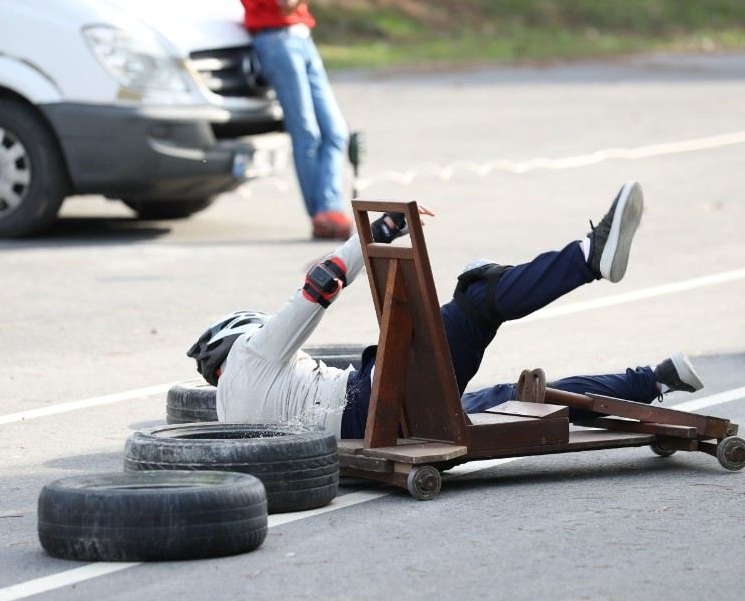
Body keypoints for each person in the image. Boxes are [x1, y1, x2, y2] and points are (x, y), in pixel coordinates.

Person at [187, 181, 705, 439]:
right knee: (478, 297)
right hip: (380, 397)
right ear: (238, 335)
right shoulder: (252, 356)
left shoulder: (231, 418)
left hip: (389, 425)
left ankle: (651, 381)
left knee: (517, 398)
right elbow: (319, 287)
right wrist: (374, 235)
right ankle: (590, 258)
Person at [237, 0, 354, 240]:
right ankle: (324, 214)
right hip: (276, 41)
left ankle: (328, 208)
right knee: (306, 132)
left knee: (336, 132)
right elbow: (285, 4)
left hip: (301, 37)